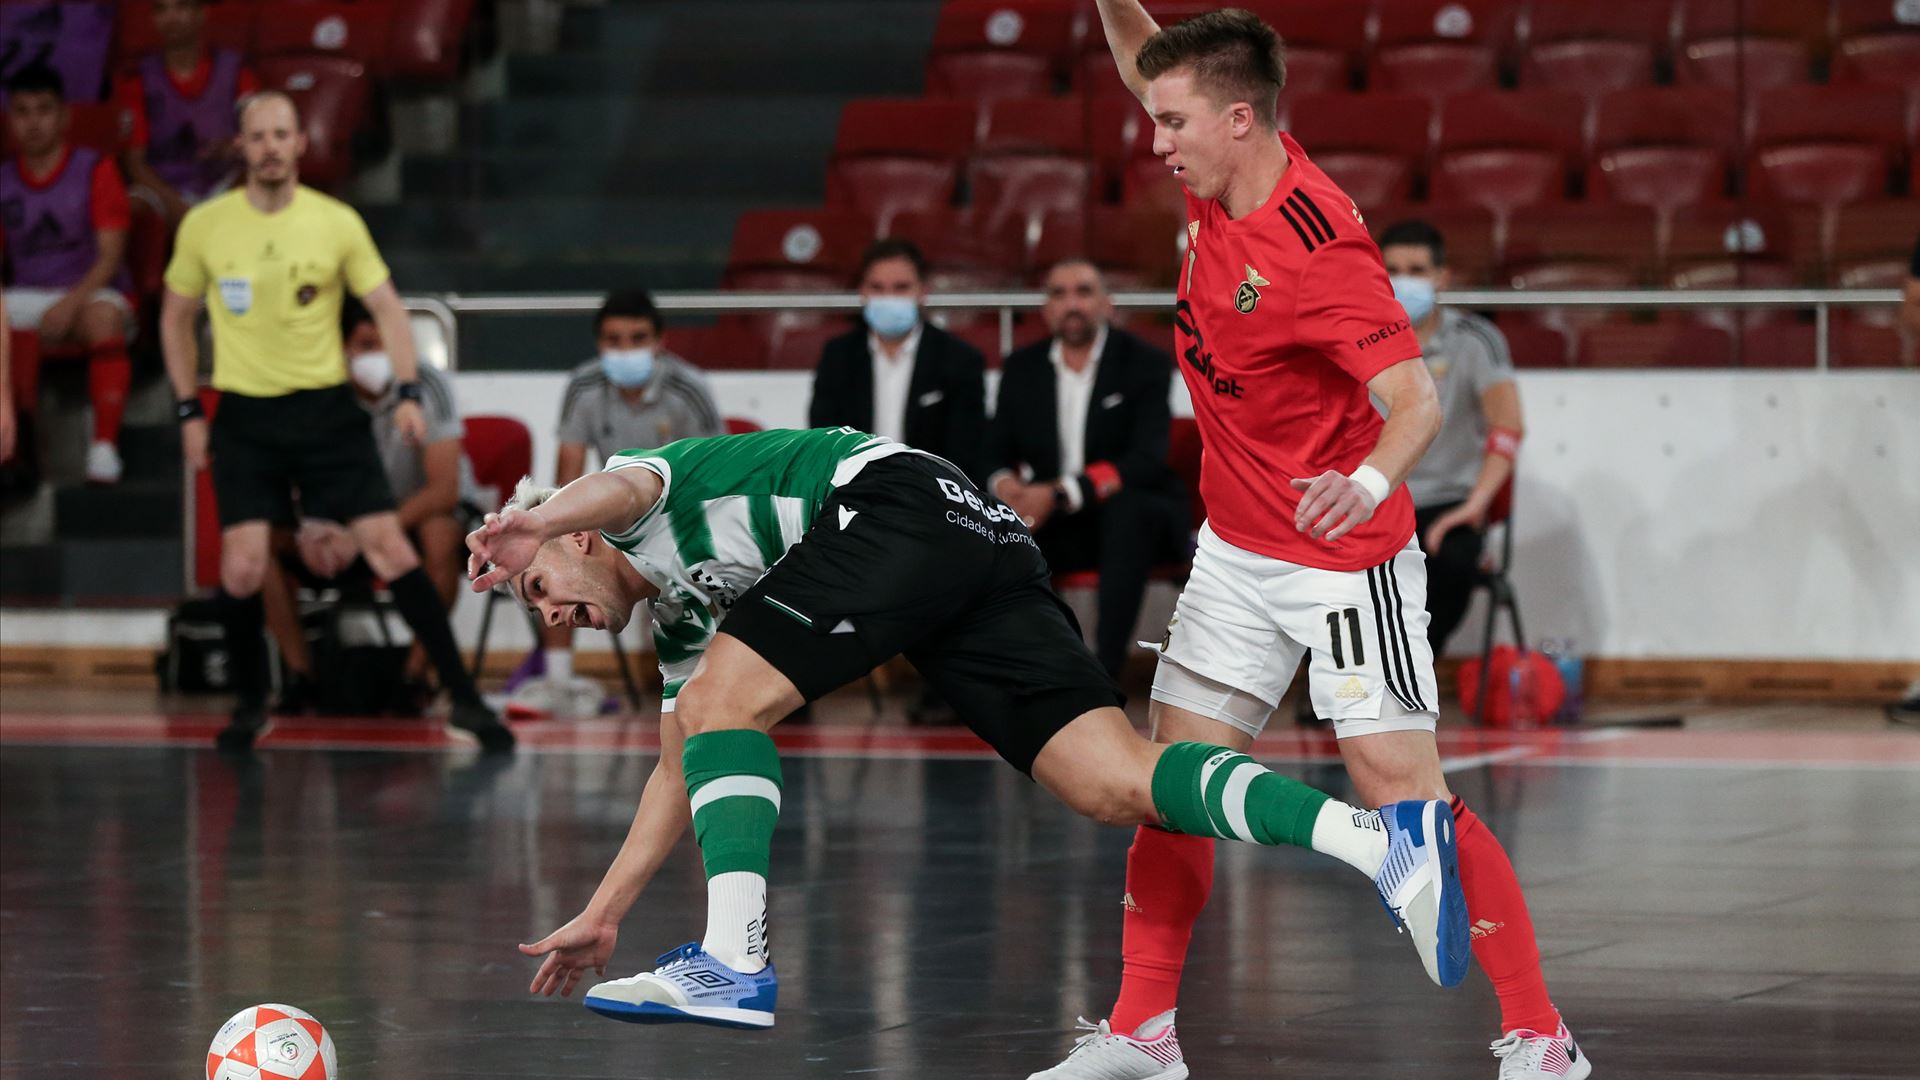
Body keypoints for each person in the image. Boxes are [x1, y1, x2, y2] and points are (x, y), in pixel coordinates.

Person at [472, 426, 1470, 1029]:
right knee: (1113, 780)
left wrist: (536, 518)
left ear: (577, 538)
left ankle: (734, 959)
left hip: (890, 503)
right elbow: (678, 767)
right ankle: (1377, 841)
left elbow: (623, 485)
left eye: (538, 585)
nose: (546, 611)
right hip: (979, 538)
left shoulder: (632, 499)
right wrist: (605, 911)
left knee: (719, 705)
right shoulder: (685, 622)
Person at [1031, 8, 1589, 1080]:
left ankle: (1541, 1037)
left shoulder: (1319, 246)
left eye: (1173, 123)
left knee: (1406, 801)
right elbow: (1146, 61)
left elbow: (1417, 401)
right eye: (1156, 118)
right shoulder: (1214, 178)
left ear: (1238, 120)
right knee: (1178, 781)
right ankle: (1144, 1032)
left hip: (1344, 558)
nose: (1155, 139)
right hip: (1236, 552)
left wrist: (1366, 481)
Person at [160, 90, 512, 753]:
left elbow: (388, 308)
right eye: (257, 136)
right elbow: (175, 317)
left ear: (300, 143)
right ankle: (250, 705)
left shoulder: (335, 221)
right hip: (244, 414)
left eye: (281, 134)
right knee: (242, 566)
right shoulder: (206, 225)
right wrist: (187, 408)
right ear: (241, 146)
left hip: (324, 411)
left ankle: (464, 699)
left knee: (392, 549)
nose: (270, 147)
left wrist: (407, 389)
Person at [261, 296, 477, 711]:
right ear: (339, 348)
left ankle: (414, 678)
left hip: (407, 524)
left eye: (386, 344)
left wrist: (367, 535)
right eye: (365, 346)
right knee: (259, 543)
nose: (380, 356)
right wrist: (317, 528)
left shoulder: (426, 385)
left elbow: (444, 490)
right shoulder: (319, 393)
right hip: (338, 521)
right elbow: (297, 476)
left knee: (441, 533)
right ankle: (300, 678)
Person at [517, 288, 724, 718]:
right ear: (599, 344)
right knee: (554, 548)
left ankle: (714, 680)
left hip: (681, 512)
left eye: (638, 338)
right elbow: (565, 481)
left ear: (660, 341)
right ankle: (557, 681)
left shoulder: (689, 389)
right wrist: (565, 528)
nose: (626, 349)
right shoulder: (583, 387)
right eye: (614, 340)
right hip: (613, 512)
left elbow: (716, 473)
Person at [988, 258, 1188, 680]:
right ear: (1046, 308)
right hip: (1058, 520)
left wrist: (1058, 492)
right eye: (1059, 294)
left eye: (1083, 291)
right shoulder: (1022, 368)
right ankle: (1030, 673)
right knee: (996, 531)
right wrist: (1006, 486)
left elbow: (1146, 459)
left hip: (1136, 517)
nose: (1072, 304)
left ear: (1107, 304)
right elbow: (993, 449)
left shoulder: (1144, 363)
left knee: (1128, 514)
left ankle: (1103, 676)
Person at [1378, 219, 1526, 654]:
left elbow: (1507, 428)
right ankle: (1341, 677)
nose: (1403, 281)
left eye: (1416, 270)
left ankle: (1416, 665)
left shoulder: (1477, 340)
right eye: (1392, 270)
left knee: (1454, 563)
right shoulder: (1353, 339)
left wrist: (1475, 505)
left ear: (1442, 277)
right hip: (1374, 496)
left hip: (1448, 503)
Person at [0, 64, 136, 485]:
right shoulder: (2, 179)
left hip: (91, 292)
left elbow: (110, 257)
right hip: (24, 296)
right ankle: (11, 447)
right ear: (10, 119)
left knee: (103, 318)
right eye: (22, 111)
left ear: (64, 116)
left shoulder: (96, 169)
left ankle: (104, 448)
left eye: (43, 110)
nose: (33, 122)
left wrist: (68, 305)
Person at [808, 238, 986, 481]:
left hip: (930, 493)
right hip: (854, 490)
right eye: (877, 287)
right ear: (862, 292)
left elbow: (965, 450)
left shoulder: (959, 359)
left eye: (901, 287)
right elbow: (825, 441)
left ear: (923, 292)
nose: (888, 298)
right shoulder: (838, 356)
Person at [114, 0, 257, 222]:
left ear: (201, 13)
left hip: (223, 184)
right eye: (161, 9)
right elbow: (135, 163)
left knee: (258, 182)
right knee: (130, 205)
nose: (171, 18)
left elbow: (257, 141)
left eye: (181, 7)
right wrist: (178, 208)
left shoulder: (236, 71)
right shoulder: (138, 79)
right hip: (163, 188)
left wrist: (231, 147)